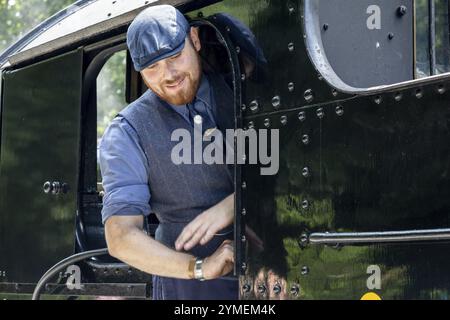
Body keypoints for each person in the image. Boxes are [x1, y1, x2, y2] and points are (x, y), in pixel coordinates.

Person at [98, 4, 238, 300]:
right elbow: (121, 237)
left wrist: (234, 205)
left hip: (273, 269)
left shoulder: (244, 92)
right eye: (153, 68)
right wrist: (200, 267)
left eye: (175, 56)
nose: (169, 75)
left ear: (195, 39)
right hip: (189, 288)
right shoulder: (127, 132)